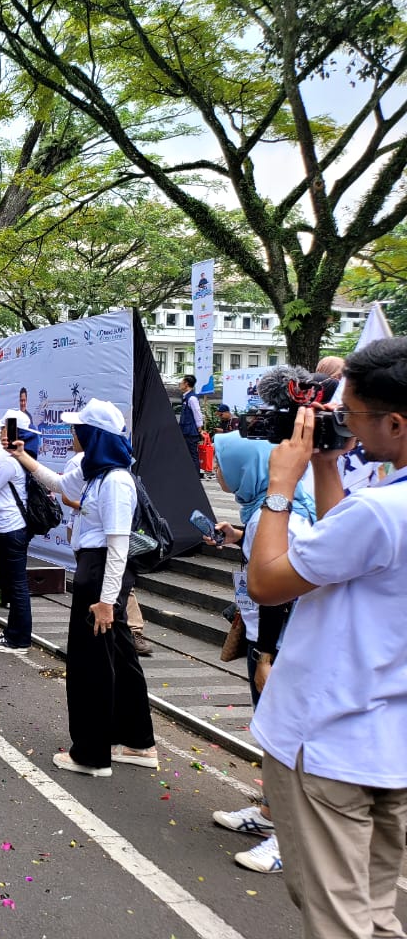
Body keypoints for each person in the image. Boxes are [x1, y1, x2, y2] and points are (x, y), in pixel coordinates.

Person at [246, 337, 407, 938]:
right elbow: (345, 549)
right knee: (375, 911)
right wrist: (325, 464)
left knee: (336, 919)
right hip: (390, 743)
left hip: (329, 739)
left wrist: (280, 488)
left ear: (396, 423)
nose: (347, 424)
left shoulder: (383, 512)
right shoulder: (382, 507)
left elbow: (267, 583)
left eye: (353, 413)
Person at [9, 398, 157, 777]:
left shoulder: (116, 482)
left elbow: (118, 547)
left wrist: (107, 601)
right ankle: (138, 742)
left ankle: (92, 755)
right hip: (96, 571)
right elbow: (59, 483)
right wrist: (22, 457)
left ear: (94, 436)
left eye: (79, 429)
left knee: (91, 665)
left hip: (101, 575)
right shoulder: (96, 474)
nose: (73, 434)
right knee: (118, 659)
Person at [206, 431, 317, 875]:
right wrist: (237, 537)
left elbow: (279, 593)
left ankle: (290, 839)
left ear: (246, 469)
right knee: (273, 734)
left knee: (286, 738)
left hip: (281, 643)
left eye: (222, 463)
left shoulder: (280, 517)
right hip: (269, 636)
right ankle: (271, 813)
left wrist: (267, 655)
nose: (217, 470)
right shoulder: (260, 513)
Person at [0, 409, 35, 656]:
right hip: (9, 528)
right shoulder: (14, 460)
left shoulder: (11, 462)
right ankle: (13, 633)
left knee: (17, 586)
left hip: (11, 529)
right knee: (13, 585)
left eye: (7, 430)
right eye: (3, 429)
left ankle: (19, 640)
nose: (2, 434)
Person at [178, 374, 203, 472]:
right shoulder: (186, 397)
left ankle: (196, 475)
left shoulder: (192, 398)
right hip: (185, 430)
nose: (180, 384)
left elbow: (197, 412)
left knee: (193, 454)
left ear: (186, 384)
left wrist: (199, 427)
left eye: (181, 382)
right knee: (187, 454)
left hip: (190, 432)